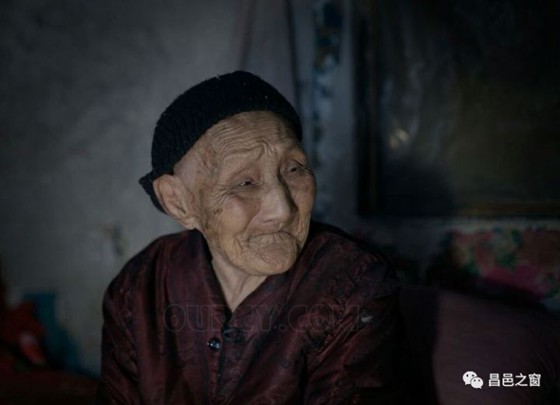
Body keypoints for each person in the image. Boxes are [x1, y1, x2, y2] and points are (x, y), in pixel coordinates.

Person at [97, 71, 402, 404]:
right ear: (178, 201)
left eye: (294, 169)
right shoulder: (139, 287)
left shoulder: (353, 285)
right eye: (245, 183)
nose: (283, 210)